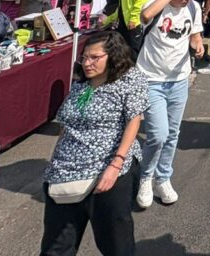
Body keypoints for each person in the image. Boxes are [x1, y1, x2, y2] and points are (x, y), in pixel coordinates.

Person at [40, 31, 148, 256]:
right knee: (56, 245)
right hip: (65, 173)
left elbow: (133, 120)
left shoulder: (129, 79)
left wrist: (116, 165)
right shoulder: (81, 86)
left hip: (108, 173)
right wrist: (55, 161)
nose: (87, 63)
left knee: (116, 243)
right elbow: (65, 126)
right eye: (85, 58)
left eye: (95, 58)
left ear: (113, 56)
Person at [135, 0, 203, 208]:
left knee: (173, 133)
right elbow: (145, 16)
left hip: (179, 79)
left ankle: (163, 178)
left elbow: (195, 35)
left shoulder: (194, 8)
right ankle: (146, 177)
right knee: (157, 134)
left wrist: (198, 44)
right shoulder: (154, 6)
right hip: (151, 79)